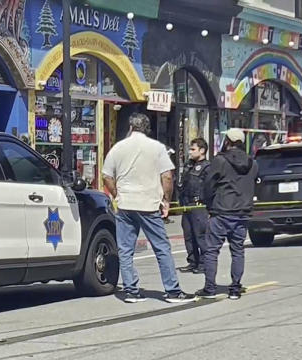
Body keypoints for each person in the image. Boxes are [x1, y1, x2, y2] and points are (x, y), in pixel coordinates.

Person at [102, 113, 197, 304]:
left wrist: (116, 194)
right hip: (148, 204)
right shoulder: (156, 148)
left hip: (126, 203)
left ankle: (131, 290)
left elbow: (107, 176)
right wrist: (166, 200)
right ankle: (172, 290)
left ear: (130, 127)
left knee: (125, 250)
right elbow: (167, 176)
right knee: (162, 248)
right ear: (147, 129)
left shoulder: (118, 148)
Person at [197, 128, 258, 300]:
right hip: (242, 212)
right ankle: (235, 288)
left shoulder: (220, 161)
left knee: (211, 251)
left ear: (228, 141)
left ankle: (210, 288)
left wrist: (207, 204)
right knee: (238, 250)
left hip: (222, 211)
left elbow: (209, 184)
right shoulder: (252, 163)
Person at [177, 138, 210, 274]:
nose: (190, 152)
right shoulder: (189, 165)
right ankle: (193, 261)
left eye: (193, 149)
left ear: (202, 151)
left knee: (200, 236)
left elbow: (210, 187)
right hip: (187, 204)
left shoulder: (207, 167)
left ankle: (203, 263)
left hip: (199, 205)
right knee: (189, 236)